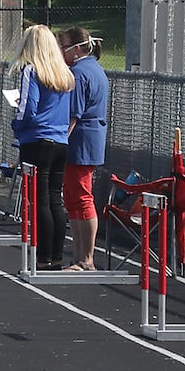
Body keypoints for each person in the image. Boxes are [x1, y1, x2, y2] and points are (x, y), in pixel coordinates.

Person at [11, 24, 75, 271]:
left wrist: (16, 124)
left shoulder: (31, 71)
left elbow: (28, 108)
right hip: (60, 141)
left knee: (39, 201)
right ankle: (56, 256)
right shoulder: (64, 73)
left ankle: (43, 257)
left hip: (37, 141)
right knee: (54, 200)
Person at [59, 26, 109, 271]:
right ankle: (79, 256)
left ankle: (86, 258)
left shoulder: (79, 73)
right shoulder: (91, 69)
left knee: (81, 197)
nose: (60, 51)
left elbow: (73, 115)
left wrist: (59, 143)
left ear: (77, 48)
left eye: (63, 46)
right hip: (86, 140)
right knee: (73, 198)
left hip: (80, 141)